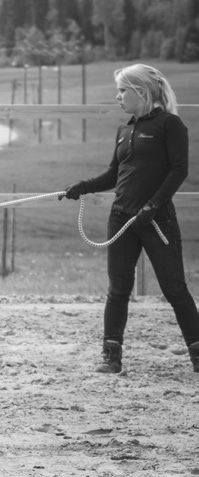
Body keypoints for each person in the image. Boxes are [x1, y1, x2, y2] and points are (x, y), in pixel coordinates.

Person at [61, 63, 199, 374]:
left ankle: (197, 351)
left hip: (157, 220)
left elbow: (180, 170)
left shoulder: (170, 125)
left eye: (123, 90)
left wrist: (151, 207)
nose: (117, 96)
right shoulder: (124, 130)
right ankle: (111, 354)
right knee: (118, 288)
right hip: (121, 219)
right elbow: (114, 174)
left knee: (174, 288)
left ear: (141, 92)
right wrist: (84, 187)